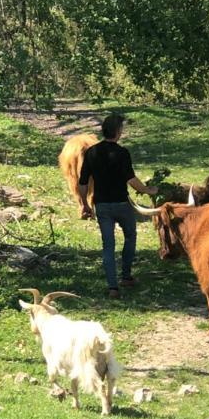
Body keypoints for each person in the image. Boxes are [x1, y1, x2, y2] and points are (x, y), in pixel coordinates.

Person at [78, 113, 158, 298]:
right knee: (130, 236)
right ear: (118, 131)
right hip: (122, 204)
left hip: (102, 205)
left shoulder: (92, 152)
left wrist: (84, 204)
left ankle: (113, 287)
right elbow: (131, 179)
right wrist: (147, 190)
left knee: (108, 245)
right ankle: (126, 276)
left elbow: (83, 182)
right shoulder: (122, 153)